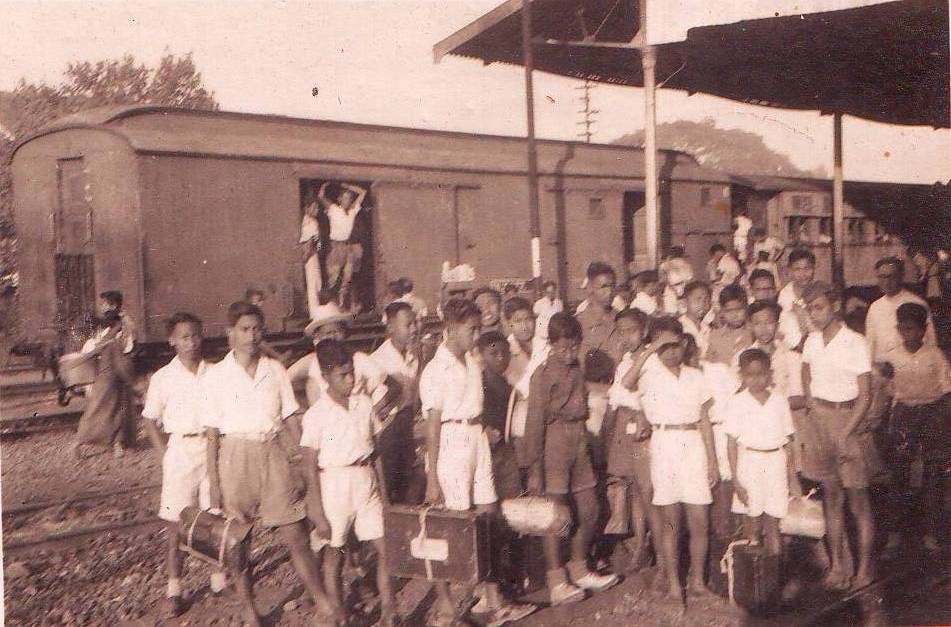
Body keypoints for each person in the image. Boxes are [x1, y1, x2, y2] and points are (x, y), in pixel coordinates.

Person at [201, 301, 334, 625]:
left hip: (272, 451)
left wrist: (304, 459)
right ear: (230, 333)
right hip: (235, 456)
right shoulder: (216, 375)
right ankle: (248, 608)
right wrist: (215, 484)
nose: (251, 336)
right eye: (244, 329)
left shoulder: (274, 370)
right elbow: (211, 434)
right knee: (237, 541)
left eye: (256, 329)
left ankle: (324, 604)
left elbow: (290, 416)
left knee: (295, 533)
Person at [420, 298, 536, 627]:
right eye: (471, 330)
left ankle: (493, 601)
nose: (476, 336)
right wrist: (432, 478)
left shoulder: (472, 364)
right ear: (450, 330)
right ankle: (444, 609)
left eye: (477, 329)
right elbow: (432, 427)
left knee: (487, 520)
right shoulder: (435, 370)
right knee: (449, 529)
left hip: (477, 442)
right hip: (450, 446)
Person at [524, 313, 620, 605]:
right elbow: (535, 421)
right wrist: (535, 468)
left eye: (573, 347)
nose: (568, 353)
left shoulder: (577, 368)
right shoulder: (542, 375)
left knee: (590, 509)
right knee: (555, 516)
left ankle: (579, 568)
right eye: (563, 348)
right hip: (553, 442)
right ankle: (556, 581)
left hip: (578, 441)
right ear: (551, 344)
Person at [300, 339, 396, 626]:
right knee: (335, 555)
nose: (351, 379)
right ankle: (339, 615)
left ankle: (390, 609)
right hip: (335, 485)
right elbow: (308, 465)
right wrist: (316, 510)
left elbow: (375, 451)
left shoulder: (363, 404)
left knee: (386, 547)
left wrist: (385, 493)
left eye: (352, 372)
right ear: (325, 376)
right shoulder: (317, 414)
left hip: (365, 481)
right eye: (343, 375)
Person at [141, 312, 227, 618]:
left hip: (211, 447)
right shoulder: (163, 377)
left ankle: (218, 580)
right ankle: (175, 588)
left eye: (196, 336)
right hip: (180, 448)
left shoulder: (215, 372)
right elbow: (150, 419)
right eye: (185, 337)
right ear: (172, 341)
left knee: (214, 518)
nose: (191, 343)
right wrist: (164, 452)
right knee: (176, 524)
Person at [800, 282, 877, 590]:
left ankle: (864, 571)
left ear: (834, 306)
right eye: (809, 309)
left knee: (858, 500)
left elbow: (866, 394)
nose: (813, 314)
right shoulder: (812, 341)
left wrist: (846, 432)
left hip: (848, 420)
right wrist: (810, 400)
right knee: (831, 498)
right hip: (819, 420)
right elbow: (806, 371)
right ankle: (837, 567)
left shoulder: (855, 342)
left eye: (818, 307)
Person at [636, 317, 719, 603]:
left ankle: (696, 581)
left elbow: (705, 420)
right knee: (671, 520)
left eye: (675, 345)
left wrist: (713, 461)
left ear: (684, 343)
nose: (671, 352)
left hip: (693, 444)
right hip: (664, 445)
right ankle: (674, 584)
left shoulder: (695, 376)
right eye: (664, 347)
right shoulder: (650, 376)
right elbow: (626, 382)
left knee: (699, 520)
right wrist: (648, 351)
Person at [881, 303, 950, 553]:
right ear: (898, 329)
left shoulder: (936, 355)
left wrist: (943, 420)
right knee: (899, 473)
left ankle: (930, 532)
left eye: (914, 329)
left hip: (932, 414)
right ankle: (895, 532)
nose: (909, 334)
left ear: (924, 329)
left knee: (933, 473)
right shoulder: (891, 356)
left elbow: (946, 391)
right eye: (904, 329)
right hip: (904, 415)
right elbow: (886, 393)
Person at [724, 349, 799, 558]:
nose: (757, 379)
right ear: (742, 376)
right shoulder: (737, 402)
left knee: (774, 522)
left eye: (762, 374)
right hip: (749, 463)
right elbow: (731, 444)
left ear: (770, 373)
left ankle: (774, 576)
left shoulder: (779, 400)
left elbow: (789, 442)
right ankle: (755, 580)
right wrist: (736, 481)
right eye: (750, 374)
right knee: (753, 522)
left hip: (775, 462)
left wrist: (792, 477)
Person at [605, 308, 663, 574]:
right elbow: (616, 396)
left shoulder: (652, 359)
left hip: (646, 425)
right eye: (622, 332)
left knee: (648, 489)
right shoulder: (625, 361)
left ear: (644, 330)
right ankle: (640, 543)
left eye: (631, 330)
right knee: (635, 490)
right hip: (626, 426)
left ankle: (657, 547)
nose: (627, 337)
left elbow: (639, 394)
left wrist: (636, 406)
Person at [371, 301, 422, 503]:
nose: (414, 329)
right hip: (388, 431)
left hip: (407, 427)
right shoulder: (378, 359)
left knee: (410, 484)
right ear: (391, 327)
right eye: (408, 325)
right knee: (389, 484)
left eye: (415, 324)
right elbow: (376, 406)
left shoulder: (413, 355)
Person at [70, 311, 137, 459]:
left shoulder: (104, 340)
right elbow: (120, 365)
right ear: (116, 325)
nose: (121, 327)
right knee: (114, 413)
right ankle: (115, 445)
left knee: (95, 412)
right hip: (112, 383)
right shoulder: (114, 343)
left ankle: (81, 443)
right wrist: (130, 379)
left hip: (102, 382)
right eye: (120, 324)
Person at [865, 256, 936, 363]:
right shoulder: (875, 307)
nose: (886, 282)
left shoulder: (917, 303)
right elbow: (870, 344)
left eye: (891, 277)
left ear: (901, 277)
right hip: (882, 370)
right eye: (882, 277)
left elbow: (930, 341)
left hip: (910, 366)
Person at [316, 181, 368, 313]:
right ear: (339, 199)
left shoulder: (352, 210)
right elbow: (321, 196)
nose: (348, 201)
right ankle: (327, 308)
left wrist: (348, 187)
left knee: (347, 278)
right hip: (336, 246)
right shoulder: (333, 209)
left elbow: (363, 193)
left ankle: (343, 304)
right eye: (345, 198)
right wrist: (325, 185)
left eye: (349, 198)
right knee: (333, 278)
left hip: (347, 246)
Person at [575, 262, 623, 373]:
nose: (610, 292)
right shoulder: (578, 324)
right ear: (590, 289)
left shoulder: (622, 319)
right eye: (603, 287)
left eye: (612, 286)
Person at [748, 268, 804, 350]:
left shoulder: (786, 316)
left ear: (775, 291)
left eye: (769, 289)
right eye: (760, 289)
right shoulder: (746, 315)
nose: (765, 293)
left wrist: (781, 339)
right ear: (751, 291)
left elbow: (796, 347)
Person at [705, 284, 754, 366]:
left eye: (739, 309)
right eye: (729, 311)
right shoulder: (714, 336)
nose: (734, 315)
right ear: (722, 311)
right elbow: (709, 367)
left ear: (746, 307)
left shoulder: (754, 332)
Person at [777, 248, 816, 342]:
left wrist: (802, 314)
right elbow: (782, 327)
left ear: (814, 268)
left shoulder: (819, 292)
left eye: (807, 268)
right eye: (797, 269)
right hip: (790, 344)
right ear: (790, 271)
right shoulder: (785, 294)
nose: (803, 274)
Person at [299, 185, 324, 318]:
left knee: (314, 283)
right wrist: (307, 256)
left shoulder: (308, 220)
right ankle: (314, 313)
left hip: (311, 254)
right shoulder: (311, 222)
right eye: (314, 207)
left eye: (318, 207)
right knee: (314, 284)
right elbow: (309, 242)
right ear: (306, 208)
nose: (317, 210)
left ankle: (314, 311)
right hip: (311, 255)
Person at [679, 280, 714, 357]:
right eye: (698, 299)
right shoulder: (679, 327)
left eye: (706, 300)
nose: (702, 304)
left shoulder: (708, 328)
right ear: (685, 302)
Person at [659, 245, 695, 314]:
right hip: (681, 288)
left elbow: (662, 281)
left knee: (672, 312)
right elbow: (690, 279)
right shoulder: (687, 264)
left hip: (674, 289)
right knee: (682, 312)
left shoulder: (665, 265)